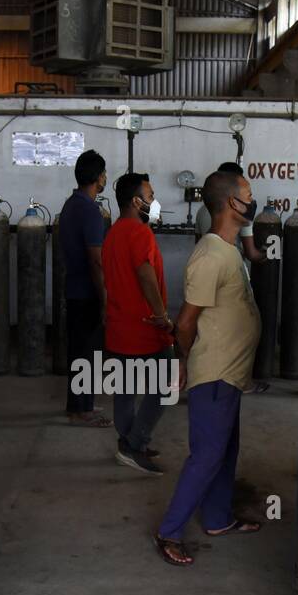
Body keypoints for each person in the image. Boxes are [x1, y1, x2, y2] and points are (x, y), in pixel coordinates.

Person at [155, 170, 263, 567]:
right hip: (214, 374)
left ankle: (217, 519)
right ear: (232, 204)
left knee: (226, 451)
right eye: (248, 195)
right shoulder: (210, 254)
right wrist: (184, 361)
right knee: (206, 455)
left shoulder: (229, 250)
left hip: (232, 374)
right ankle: (169, 530)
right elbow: (185, 323)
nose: (253, 201)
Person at [102, 172, 174, 476]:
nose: (154, 201)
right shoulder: (140, 232)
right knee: (166, 384)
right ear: (136, 201)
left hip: (118, 326)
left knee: (126, 390)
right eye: (151, 195)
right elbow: (145, 274)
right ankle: (135, 443)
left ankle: (128, 443)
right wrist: (161, 317)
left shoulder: (113, 232)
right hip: (145, 327)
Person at [60, 150, 111, 427]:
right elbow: (96, 259)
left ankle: (78, 404)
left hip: (74, 288)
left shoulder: (70, 204)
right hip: (87, 292)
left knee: (78, 351)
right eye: (103, 173)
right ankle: (83, 412)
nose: (105, 178)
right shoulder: (90, 210)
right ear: (97, 177)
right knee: (88, 354)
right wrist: (104, 299)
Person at [194, 161, 264, 263]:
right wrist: (269, 252)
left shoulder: (201, 211)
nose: (251, 202)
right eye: (248, 195)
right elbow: (252, 254)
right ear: (234, 202)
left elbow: (197, 243)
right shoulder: (240, 215)